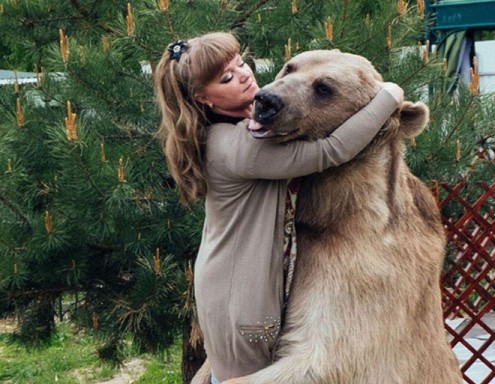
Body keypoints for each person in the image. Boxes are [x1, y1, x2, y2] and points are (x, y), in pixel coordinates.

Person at [153, 32, 403, 383]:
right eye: (226, 78)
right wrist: (391, 95)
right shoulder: (242, 147)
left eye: (240, 63)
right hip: (242, 296)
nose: (244, 76)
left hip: (227, 282)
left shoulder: (224, 131)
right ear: (202, 98)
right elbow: (332, 151)